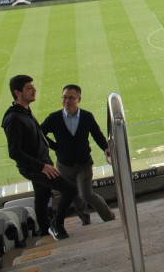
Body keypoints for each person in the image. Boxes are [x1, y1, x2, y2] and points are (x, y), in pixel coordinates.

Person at [2, 75, 77, 241]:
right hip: (35, 167)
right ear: (17, 92)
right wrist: (42, 167)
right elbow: (14, 152)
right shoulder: (13, 119)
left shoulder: (24, 111)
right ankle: (56, 225)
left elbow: (39, 134)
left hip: (43, 163)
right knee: (70, 190)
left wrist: (58, 147)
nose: (34, 90)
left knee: (43, 196)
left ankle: (45, 231)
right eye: (29, 88)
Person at [41, 85, 115, 225]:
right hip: (64, 165)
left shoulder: (87, 116)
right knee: (74, 195)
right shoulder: (54, 118)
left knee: (87, 194)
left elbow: (97, 134)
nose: (66, 101)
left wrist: (106, 148)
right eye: (64, 97)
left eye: (71, 98)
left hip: (84, 163)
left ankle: (109, 218)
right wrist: (56, 146)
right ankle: (85, 221)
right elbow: (39, 133)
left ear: (79, 99)